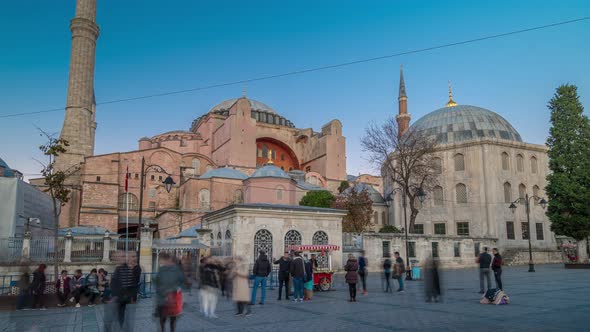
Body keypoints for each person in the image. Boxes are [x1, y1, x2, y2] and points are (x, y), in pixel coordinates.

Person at [156, 252, 186, 332]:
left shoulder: (177, 270)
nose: (163, 262)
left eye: (165, 260)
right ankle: (162, 330)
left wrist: (177, 288)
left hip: (173, 298)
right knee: (162, 319)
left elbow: (182, 282)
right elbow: (157, 282)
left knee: (172, 320)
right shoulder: (161, 270)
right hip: (162, 299)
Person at [108, 251, 136, 330]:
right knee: (121, 314)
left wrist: (114, 296)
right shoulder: (124, 268)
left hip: (120, 297)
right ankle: (120, 326)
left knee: (117, 314)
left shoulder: (121, 269)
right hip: (122, 297)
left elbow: (116, 283)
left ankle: (119, 327)